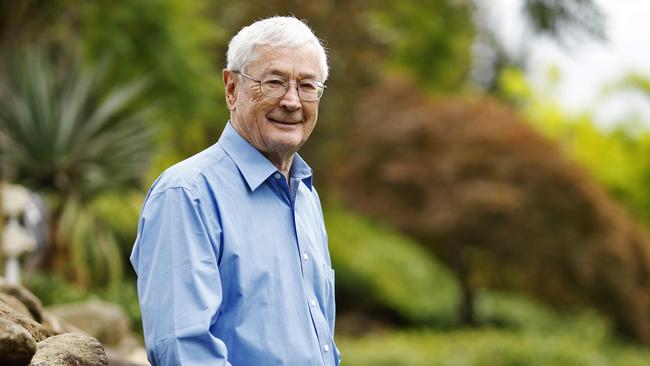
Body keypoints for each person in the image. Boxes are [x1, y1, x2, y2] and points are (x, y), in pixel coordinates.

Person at [130, 16, 340, 366]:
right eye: (274, 82)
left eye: (307, 86)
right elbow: (184, 351)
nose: (292, 101)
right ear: (231, 89)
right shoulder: (186, 194)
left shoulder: (305, 196)